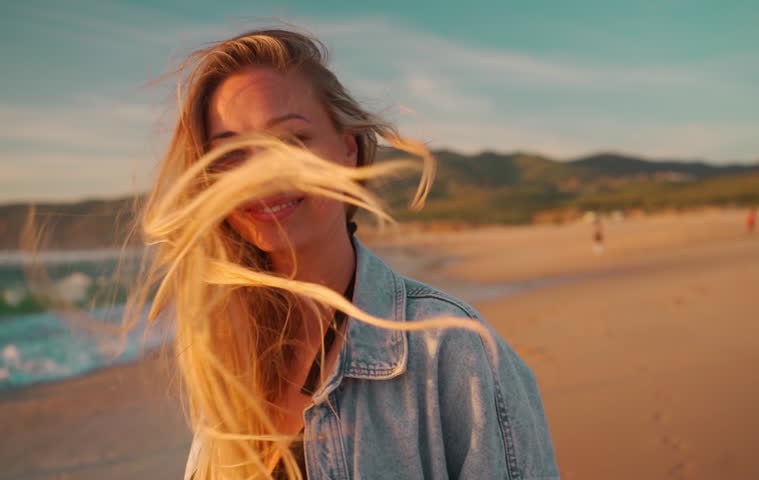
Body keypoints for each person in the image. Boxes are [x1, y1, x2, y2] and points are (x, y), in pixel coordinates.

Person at [124, 29, 558, 479]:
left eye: (291, 141)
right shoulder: (225, 360)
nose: (260, 176)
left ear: (347, 149)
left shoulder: (451, 351)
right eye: (231, 155)